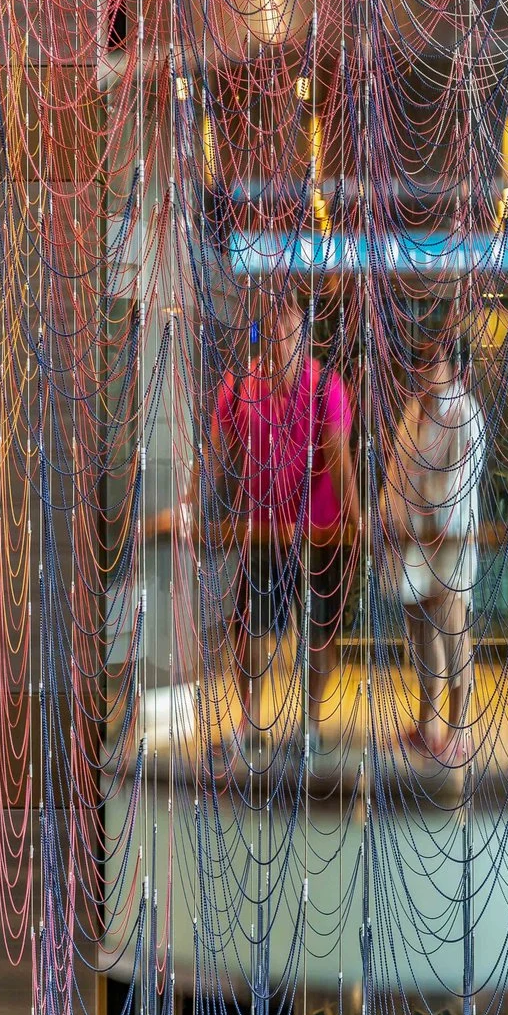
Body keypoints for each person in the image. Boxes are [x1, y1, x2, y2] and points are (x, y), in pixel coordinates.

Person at [194, 293, 361, 751]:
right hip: (263, 534)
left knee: (319, 632)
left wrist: (356, 523)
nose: (280, 340)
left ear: (303, 337)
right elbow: (214, 455)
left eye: (288, 331)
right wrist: (192, 506)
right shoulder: (239, 386)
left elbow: (338, 459)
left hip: (320, 534)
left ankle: (310, 724)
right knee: (249, 628)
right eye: (272, 330)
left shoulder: (326, 387)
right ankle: (250, 722)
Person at [383, 321, 487, 766]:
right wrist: (391, 516)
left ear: (452, 366)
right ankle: (428, 726)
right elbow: (397, 469)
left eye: (433, 361)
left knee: (453, 631)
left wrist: (421, 514)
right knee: (421, 633)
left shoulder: (465, 413)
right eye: (421, 362)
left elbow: (458, 484)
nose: (425, 370)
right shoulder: (414, 410)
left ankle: (459, 728)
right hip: (412, 540)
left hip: (448, 540)